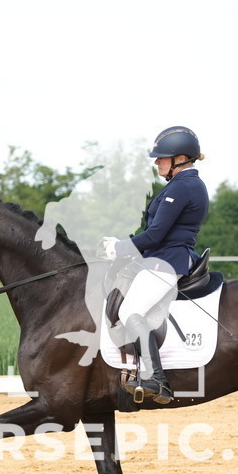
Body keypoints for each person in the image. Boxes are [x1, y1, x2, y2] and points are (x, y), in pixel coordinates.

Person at [101, 126, 209, 404]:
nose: (156, 162)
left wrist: (120, 248)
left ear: (180, 159)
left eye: (162, 157)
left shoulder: (185, 186)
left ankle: (156, 378)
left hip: (166, 262)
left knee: (130, 310)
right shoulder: (180, 185)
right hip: (159, 258)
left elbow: (155, 234)